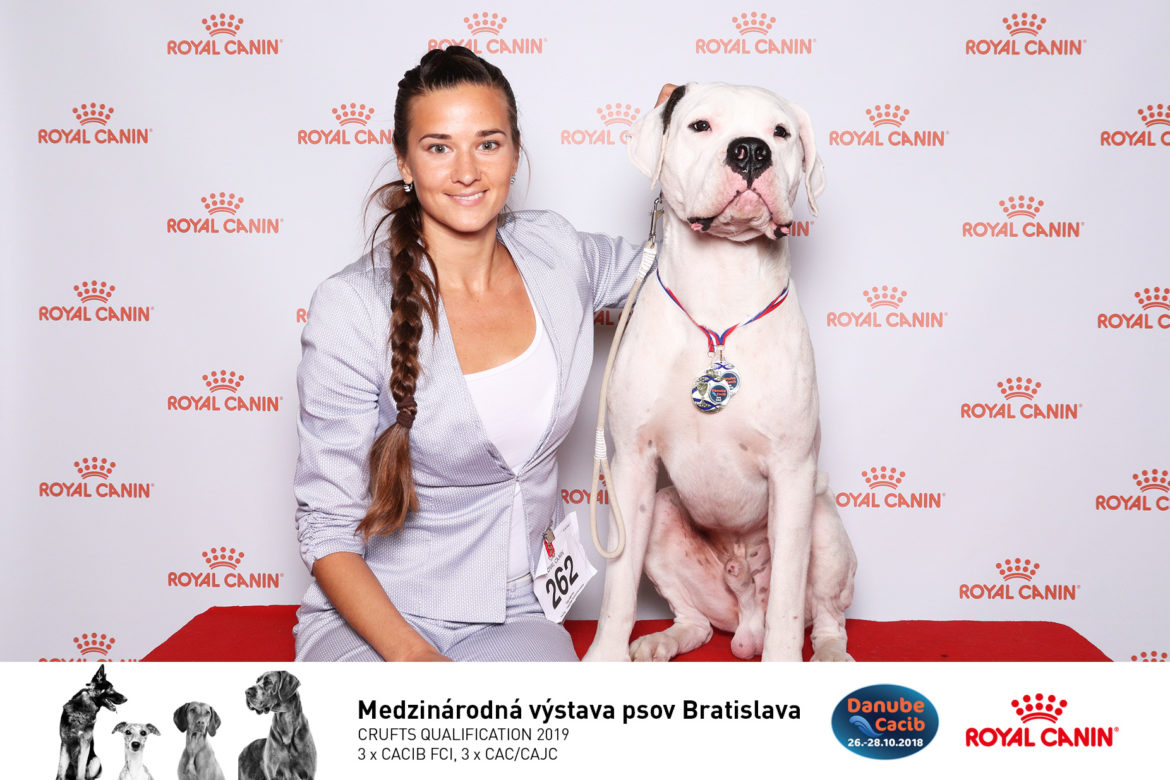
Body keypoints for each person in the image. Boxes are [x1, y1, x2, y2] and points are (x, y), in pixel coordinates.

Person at [292, 46, 652, 661]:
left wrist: (687, 132)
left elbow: (676, 275)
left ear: (515, 152)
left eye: (488, 143)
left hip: (517, 611)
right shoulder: (351, 306)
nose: (467, 171)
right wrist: (413, 659)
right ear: (404, 161)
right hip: (378, 611)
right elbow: (326, 526)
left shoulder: (556, 251)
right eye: (439, 147)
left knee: (551, 723)